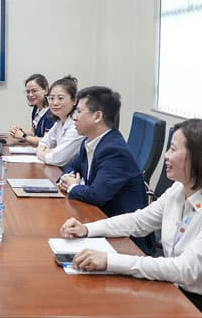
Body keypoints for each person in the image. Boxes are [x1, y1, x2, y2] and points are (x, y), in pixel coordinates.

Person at [60, 119, 202, 318]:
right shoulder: (180, 189)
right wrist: (87, 229)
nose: (166, 156)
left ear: (200, 158)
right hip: (175, 292)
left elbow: (184, 270)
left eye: (173, 149)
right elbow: (139, 221)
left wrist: (109, 261)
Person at [57, 86, 151, 253]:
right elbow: (71, 166)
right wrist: (67, 178)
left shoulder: (114, 150)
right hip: (99, 221)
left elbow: (97, 195)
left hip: (125, 239)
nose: (74, 118)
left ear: (97, 116)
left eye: (79, 112)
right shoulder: (89, 141)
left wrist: (72, 186)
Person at [35, 75, 84, 167]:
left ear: (74, 101)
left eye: (60, 98)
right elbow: (44, 142)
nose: (55, 103)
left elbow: (57, 159)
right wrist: (49, 151)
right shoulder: (60, 122)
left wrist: (42, 152)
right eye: (51, 98)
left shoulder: (76, 125)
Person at [8, 73, 55, 145]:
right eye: (28, 91)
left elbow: (48, 141)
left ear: (46, 90)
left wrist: (23, 136)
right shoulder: (36, 108)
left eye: (34, 91)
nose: (30, 95)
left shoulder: (52, 112)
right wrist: (19, 133)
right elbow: (33, 132)